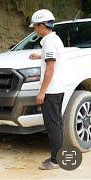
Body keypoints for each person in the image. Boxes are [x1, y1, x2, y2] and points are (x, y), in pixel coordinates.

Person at [29, 9, 65, 170]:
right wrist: (40, 55)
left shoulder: (50, 42)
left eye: (36, 26)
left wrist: (42, 91)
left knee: (53, 125)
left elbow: (50, 69)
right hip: (57, 88)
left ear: (43, 25)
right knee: (55, 123)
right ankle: (56, 156)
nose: (34, 29)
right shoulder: (53, 40)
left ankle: (56, 161)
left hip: (51, 90)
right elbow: (51, 58)